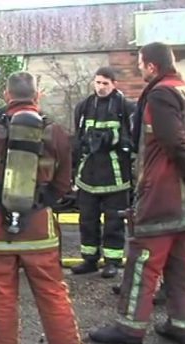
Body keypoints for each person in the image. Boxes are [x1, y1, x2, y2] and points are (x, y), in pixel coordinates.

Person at [89, 42, 185, 344]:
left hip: (164, 195)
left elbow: (174, 141)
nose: (138, 67)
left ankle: (130, 328)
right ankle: (181, 324)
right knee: (181, 263)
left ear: (151, 66)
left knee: (143, 261)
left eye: (140, 62)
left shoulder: (161, 94)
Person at [0, 71, 85, 344]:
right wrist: (39, 203)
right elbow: (63, 184)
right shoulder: (56, 133)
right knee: (52, 292)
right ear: (39, 95)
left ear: (6, 97)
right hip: (40, 231)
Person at [70, 67, 135, 279]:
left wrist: (112, 140)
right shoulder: (84, 107)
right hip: (88, 174)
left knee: (114, 221)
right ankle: (89, 259)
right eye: (98, 82)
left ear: (114, 84)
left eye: (105, 83)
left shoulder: (125, 107)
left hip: (115, 174)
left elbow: (132, 140)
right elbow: (78, 139)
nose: (101, 87)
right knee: (87, 219)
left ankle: (112, 262)